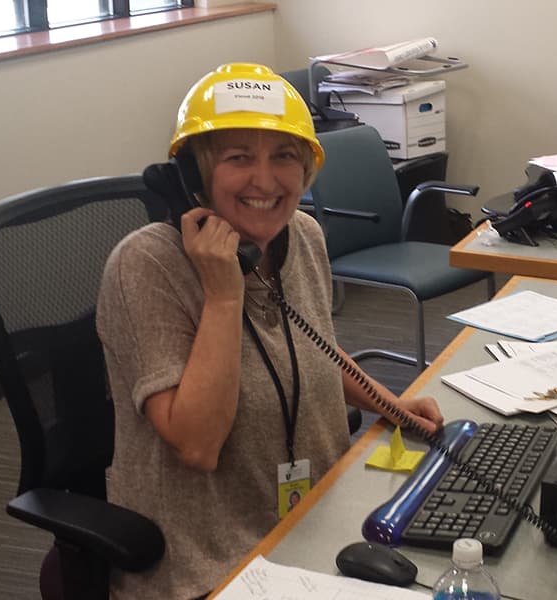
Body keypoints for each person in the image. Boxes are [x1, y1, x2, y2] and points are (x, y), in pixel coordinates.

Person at [96, 63, 443, 600]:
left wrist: (391, 405)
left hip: (319, 523)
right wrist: (223, 292)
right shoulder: (144, 266)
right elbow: (197, 444)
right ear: (194, 176)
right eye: (238, 157)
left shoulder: (300, 233)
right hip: (208, 563)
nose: (265, 180)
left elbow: (314, 347)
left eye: (284, 156)